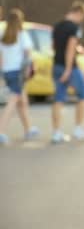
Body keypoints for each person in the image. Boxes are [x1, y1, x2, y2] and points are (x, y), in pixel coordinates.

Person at [51, 1, 84, 143]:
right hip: (69, 67)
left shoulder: (57, 26)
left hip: (56, 64)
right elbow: (70, 48)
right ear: (79, 13)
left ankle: (57, 133)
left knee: (59, 98)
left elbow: (56, 47)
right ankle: (79, 129)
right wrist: (68, 69)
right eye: (83, 16)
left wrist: (79, 50)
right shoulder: (74, 28)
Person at [0, 8, 40, 145]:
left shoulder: (2, 34)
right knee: (12, 102)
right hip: (18, 73)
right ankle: (1, 131)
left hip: (7, 71)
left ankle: (28, 129)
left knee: (23, 101)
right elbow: (28, 55)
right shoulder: (22, 34)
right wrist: (30, 69)